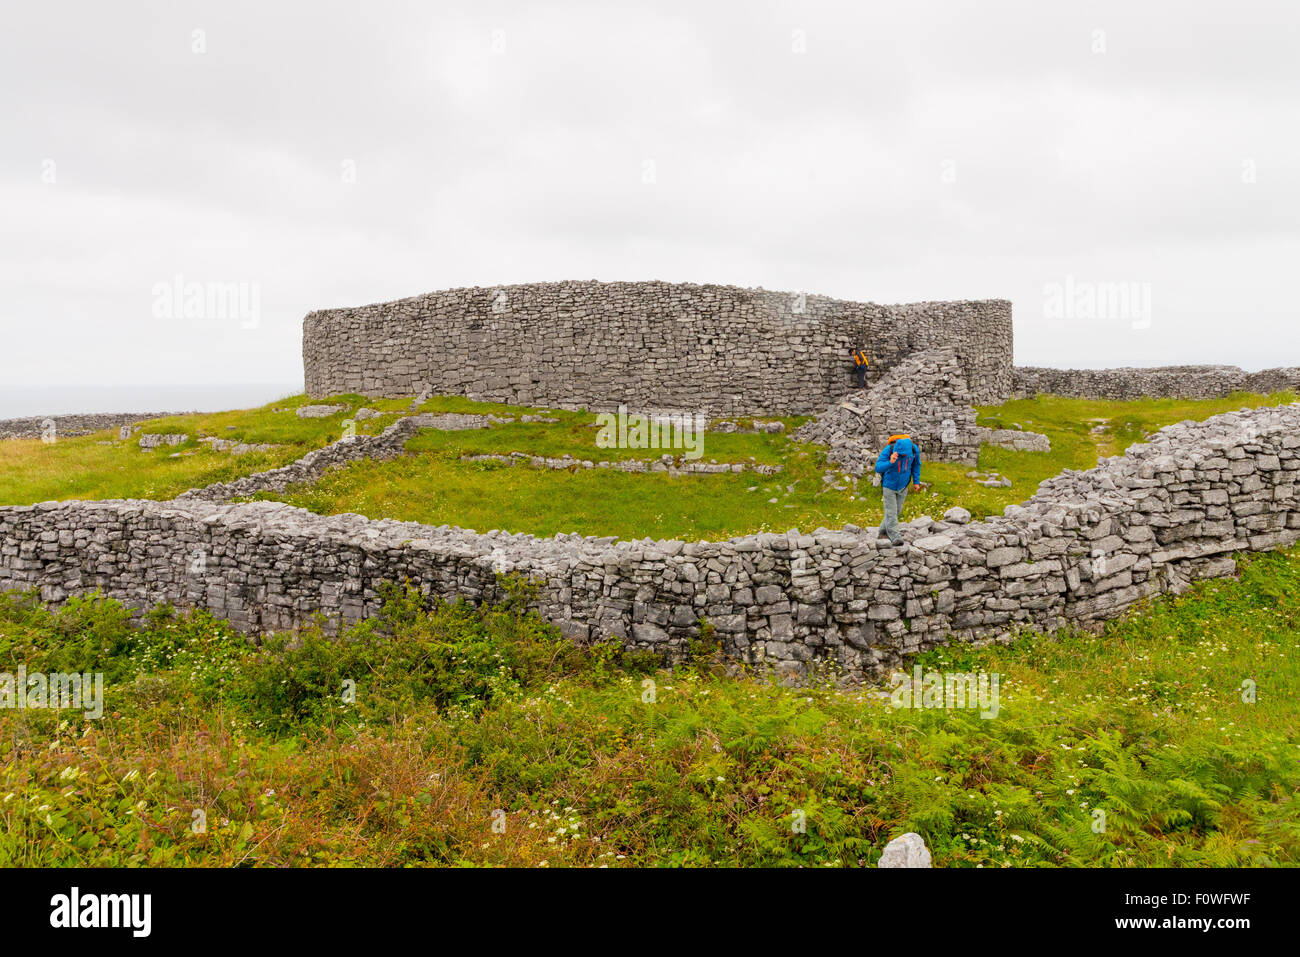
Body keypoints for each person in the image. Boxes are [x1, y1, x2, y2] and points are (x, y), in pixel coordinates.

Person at [875, 433, 922, 546]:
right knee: (891, 512)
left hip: (903, 485)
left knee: (897, 511)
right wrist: (890, 462)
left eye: (903, 455)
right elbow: (878, 467)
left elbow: (916, 465)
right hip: (889, 485)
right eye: (899, 454)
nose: (900, 456)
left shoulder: (914, 450)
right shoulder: (889, 450)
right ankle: (895, 537)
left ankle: (882, 532)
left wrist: (916, 481)